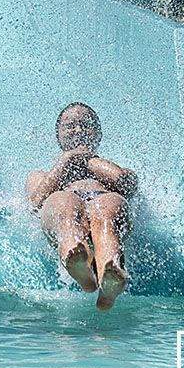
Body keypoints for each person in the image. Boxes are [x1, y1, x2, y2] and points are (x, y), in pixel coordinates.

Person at [26, 102, 137, 310]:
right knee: (64, 205)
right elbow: (36, 201)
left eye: (86, 125)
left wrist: (90, 160)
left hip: (102, 197)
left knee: (106, 209)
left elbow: (125, 183)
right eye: (70, 126)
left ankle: (109, 275)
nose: (78, 130)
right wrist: (66, 161)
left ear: (98, 134)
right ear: (58, 135)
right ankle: (77, 259)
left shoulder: (111, 168)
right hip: (65, 199)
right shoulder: (40, 174)